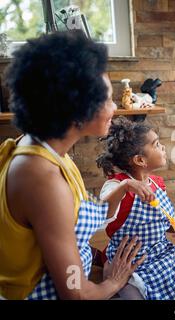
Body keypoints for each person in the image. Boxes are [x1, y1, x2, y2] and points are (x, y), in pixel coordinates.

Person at [0, 31, 149, 300]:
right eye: (106, 98)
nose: (114, 106)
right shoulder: (41, 179)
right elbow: (76, 293)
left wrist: (124, 186)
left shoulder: (42, 148)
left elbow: (73, 215)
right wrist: (114, 282)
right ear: (75, 108)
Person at [96, 116, 175, 300]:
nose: (163, 148)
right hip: (128, 261)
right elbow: (104, 210)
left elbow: (159, 218)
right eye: (157, 144)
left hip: (162, 253)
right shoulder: (116, 184)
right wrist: (126, 186)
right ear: (140, 160)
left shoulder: (157, 184)